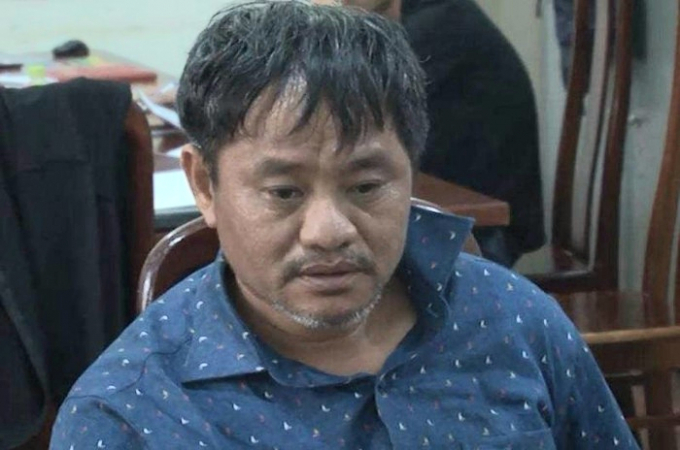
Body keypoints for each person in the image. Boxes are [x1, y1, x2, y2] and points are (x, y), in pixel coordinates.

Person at [50, 2, 637, 449]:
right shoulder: (128, 415)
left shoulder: (515, 320)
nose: (328, 231)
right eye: (284, 192)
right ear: (205, 185)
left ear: (412, 170)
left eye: (366, 187)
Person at [328, 0, 546, 267]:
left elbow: (343, 123)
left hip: (484, 232)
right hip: (449, 216)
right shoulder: (426, 17)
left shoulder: (441, 25)